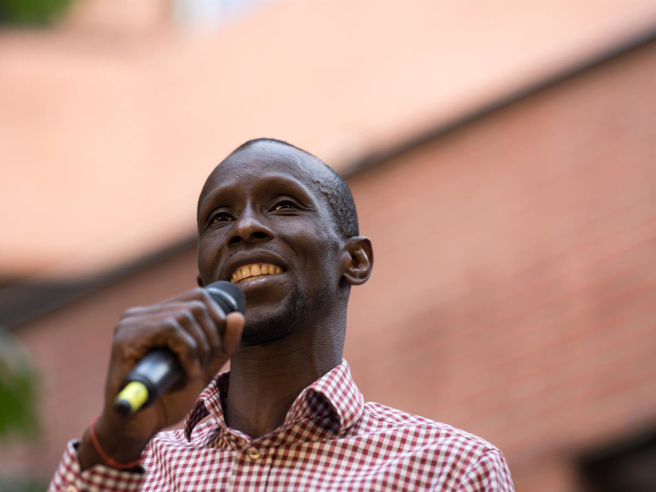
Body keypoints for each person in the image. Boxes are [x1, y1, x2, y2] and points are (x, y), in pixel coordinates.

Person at [49, 139, 514, 491]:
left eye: (284, 205)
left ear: (354, 260)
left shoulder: (449, 470)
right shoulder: (134, 470)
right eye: (219, 218)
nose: (245, 227)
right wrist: (115, 439)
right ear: (205, 284)